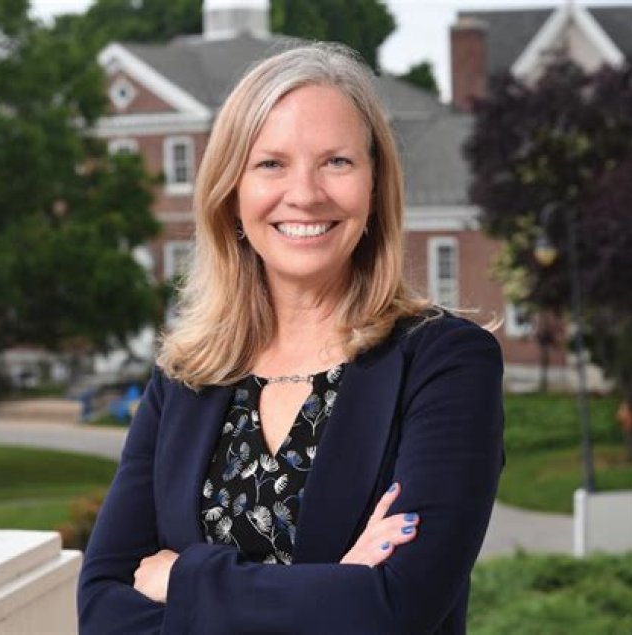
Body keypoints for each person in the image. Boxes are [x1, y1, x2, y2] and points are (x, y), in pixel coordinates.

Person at [78, 42, 504, 635]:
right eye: (271, 164)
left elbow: (398, 610)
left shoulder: (445, 362)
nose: (305, 193)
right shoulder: (187, 374)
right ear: (232, 193)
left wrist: (184, 581)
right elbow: (102, 609)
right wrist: (337, 587)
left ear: (375, 186)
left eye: (337, 162)